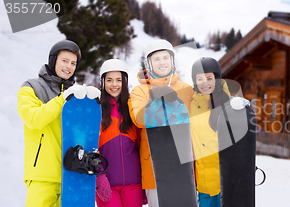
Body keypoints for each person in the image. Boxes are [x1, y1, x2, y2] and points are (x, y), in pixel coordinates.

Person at [17, 40, 99, 207]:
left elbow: (84, 134)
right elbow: (33, 119)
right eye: (64, 60)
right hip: (42, 176)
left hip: (72, 175)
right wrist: (62, 99)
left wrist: (91, 106)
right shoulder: (31, 87)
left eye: (73, 63)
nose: (68, 66)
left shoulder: (77, 95)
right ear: (53, 60)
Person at [128, 39, 194, 207]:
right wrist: (154, 100)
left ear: (172, 61)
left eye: (165, 58)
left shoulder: (187, 89)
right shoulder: (139, 91)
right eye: (156, 59)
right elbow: (139, 119)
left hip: (182, 166)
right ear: (149, 64)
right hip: (154, 166)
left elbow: (198, 117)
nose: (162, 62)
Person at [95, 59, 143, 207]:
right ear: (103, 82)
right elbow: (91, 148)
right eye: (109, 80)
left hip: (134, 183)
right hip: (107, 183)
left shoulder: (133, 108)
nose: (114, 85)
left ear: (125, 82)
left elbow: (142, 145)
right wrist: (99, 176)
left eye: (118, 80)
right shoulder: (96, 110)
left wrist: (145, 180)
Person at [190, 57, 232, 207]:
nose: (205, 83)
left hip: (225, 177)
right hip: (204, 179)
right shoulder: (191, 105)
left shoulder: (229, 103)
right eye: (200, 79)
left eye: (209, 78)